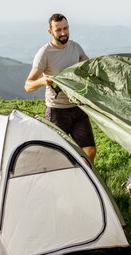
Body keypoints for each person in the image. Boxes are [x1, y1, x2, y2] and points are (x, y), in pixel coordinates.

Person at [25, 13, 96, 163]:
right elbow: (28, 85)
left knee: (89, 150)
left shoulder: (75, 47)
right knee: (55, 155)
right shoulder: (44, 53)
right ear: (50, 32)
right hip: (57, 111)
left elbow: (88, 67)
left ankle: (84, 179)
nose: (63, 33)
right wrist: (43, 81)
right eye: (58, 30)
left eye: (66, 28)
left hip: (77, 107)